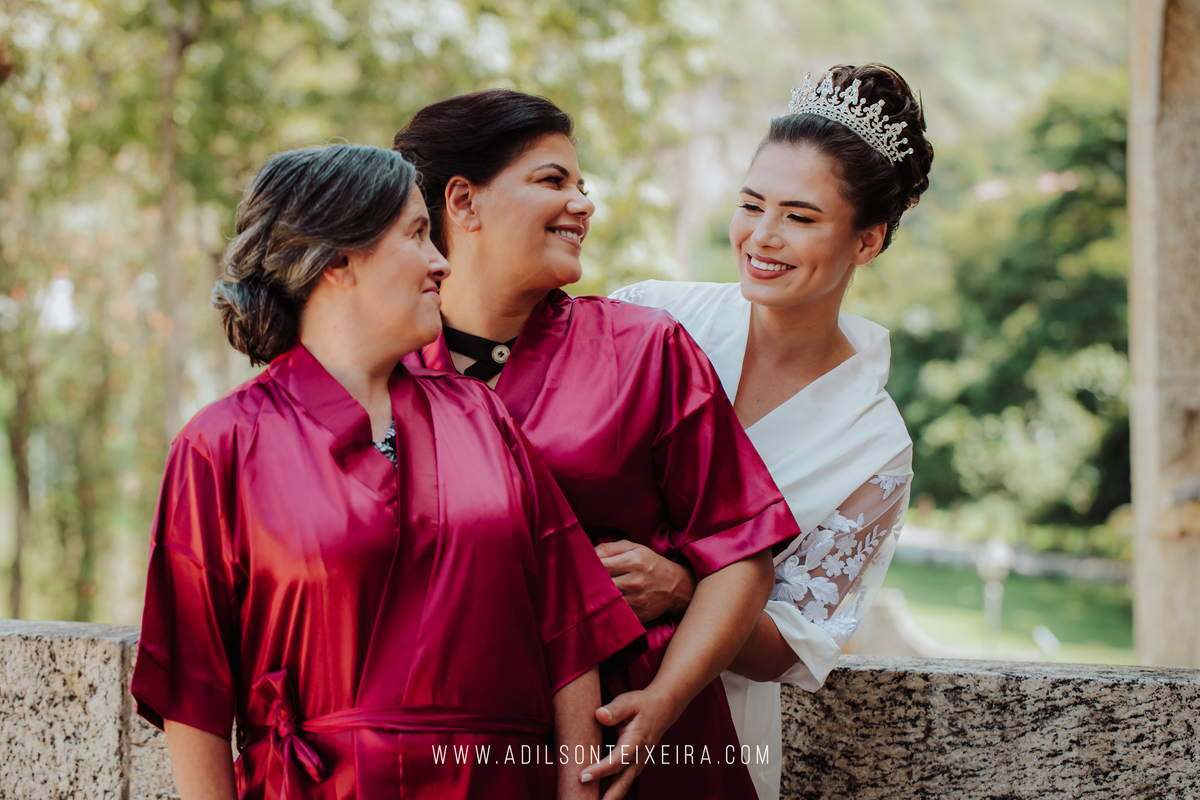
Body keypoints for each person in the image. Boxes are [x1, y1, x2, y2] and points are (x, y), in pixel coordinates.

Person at [130, 144, 646, 800]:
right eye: (418, 234)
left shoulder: (483, 418)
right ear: (338, 260)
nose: (441, 261)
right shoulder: (222, 446)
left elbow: (570, 635)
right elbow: (193, 700)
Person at [395, 90, 800, 800]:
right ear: (462, 201)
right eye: (553, 181)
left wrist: (665, 701)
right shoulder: (381, 368)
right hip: (448, 739)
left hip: (634, 739)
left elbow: (744, 556)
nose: (583, 205)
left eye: (582, 186)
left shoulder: (645, 349)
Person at [610, 64, 935, 800]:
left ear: (867, 242)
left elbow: (786, 646)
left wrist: (685, 590)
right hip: (549, 682)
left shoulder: (874, 448)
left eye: (800, 216)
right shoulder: (648, 317)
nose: (762, 236)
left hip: (708, 736)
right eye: (752, 204)